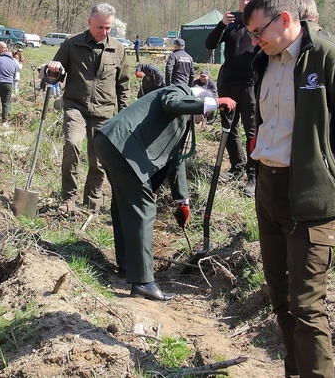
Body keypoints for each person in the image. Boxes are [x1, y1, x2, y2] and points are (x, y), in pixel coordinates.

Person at [244, 0, 335, 378]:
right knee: (280, 298)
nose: (254, 40)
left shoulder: (331, 59)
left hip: (311, 198)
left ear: (285, 19)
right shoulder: (263, 61)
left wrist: (328, 173)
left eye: (258, 31)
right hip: (269, 189)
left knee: (307, 303)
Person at [95, 85, 235, 301]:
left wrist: (182, 201)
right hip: (121, 146)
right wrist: (215, 102)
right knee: (143, 208)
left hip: (111, 143)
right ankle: (143, 282)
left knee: (125, 204)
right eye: (202, 117)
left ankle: (127, 264)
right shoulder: (179, 91)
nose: (199, 122)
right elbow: (171, 102)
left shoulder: (181, 120)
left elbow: (176, 160)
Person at [44, 3, 130, 212]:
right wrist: (53, 71)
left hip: (104, 111)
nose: (104, 32)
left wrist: (126, 115)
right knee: (72, 144)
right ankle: (68, 198)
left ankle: (93, 201)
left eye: (108, 28)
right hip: (76, 106)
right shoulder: (72, 44)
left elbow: (124, 85)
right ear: (89, 22)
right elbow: (55, 74)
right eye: (100, 27)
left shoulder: (118, 49)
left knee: (99, 159)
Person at [204, 0, 260, 196]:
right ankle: (237, 167)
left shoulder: (260, 23)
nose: (244, 3)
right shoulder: (231, 24)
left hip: (250, 85)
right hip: (227, 83)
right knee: (229, 129)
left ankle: (253, 176)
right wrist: (221, 25)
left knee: (252, 131)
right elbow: (209, 43)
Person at [0, 41, 18, 126]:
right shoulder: (13, 62)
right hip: (8, 84)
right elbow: (15, 75)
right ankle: (4, 121)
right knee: (5, 103)